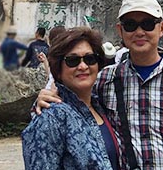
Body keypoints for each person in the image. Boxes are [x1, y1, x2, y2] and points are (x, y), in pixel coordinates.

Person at [38, 0, 163, 170]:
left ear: (161, 28)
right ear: (120, 30)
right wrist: (44, 99)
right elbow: (73, 102)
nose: (139, 32)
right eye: (130, 25)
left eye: (147, 24)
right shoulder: (104, 80)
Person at [22, 27, 117, 170]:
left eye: (90, 59)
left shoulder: (102, 105)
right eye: (73, 60)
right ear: (58, 70)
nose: (83, 66)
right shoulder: (51, 118)